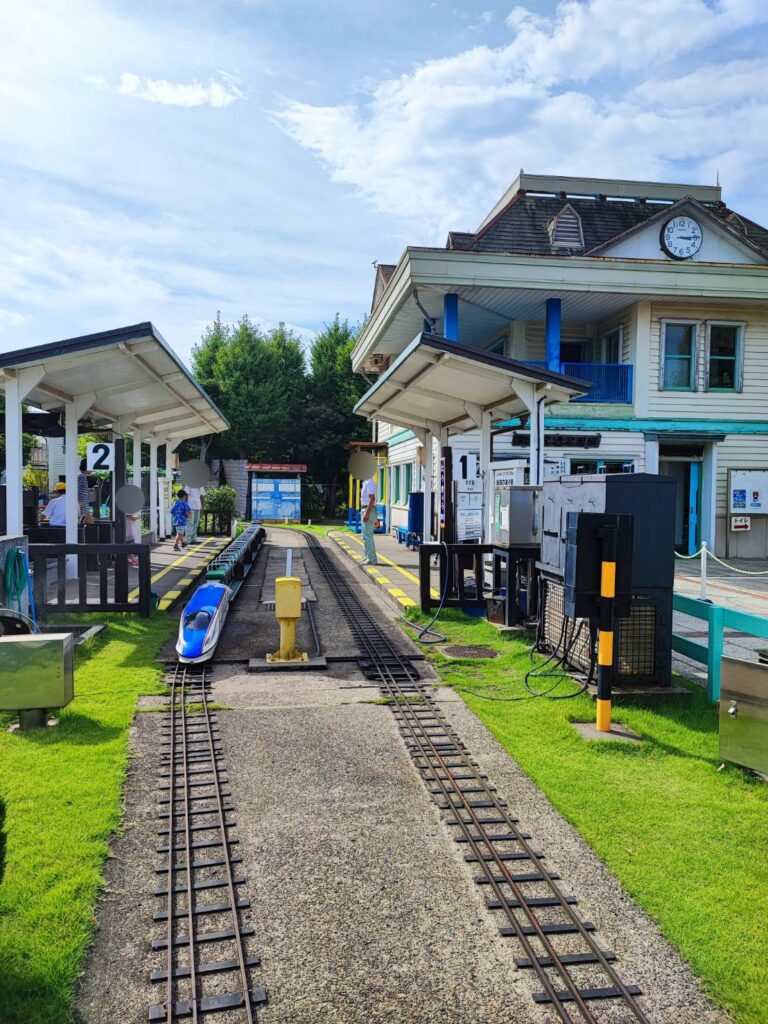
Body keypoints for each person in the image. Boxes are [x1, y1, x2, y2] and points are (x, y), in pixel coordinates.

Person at [360, 476, 378, 565]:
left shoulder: (369, 482)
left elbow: (372, 499)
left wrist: (366, 513)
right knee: (365, 536)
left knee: (367, 536)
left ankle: (372, 559)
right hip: (366, 509)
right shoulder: (366, 482)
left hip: (368, 510)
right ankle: (368, 557)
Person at [77, 458, 93, 524]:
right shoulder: (81, 476)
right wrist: (77, 502)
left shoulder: (83, 476)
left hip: (84, 508)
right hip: (82, 508)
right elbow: (75, 489)